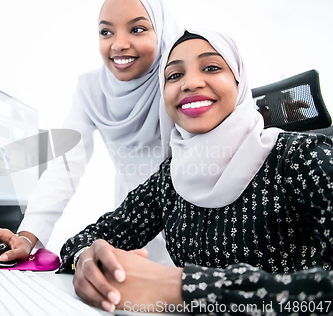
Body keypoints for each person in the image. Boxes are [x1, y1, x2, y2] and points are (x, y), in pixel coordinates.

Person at [59, 29, 333, 314]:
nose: (190, 83)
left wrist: (181, 287)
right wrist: (86, 260)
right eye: (174, 76)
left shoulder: (301, 157)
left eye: (212, 67)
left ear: (239, 83)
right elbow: (90, 237)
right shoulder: (169, 179)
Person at [0, 0, 182, 266]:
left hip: (188, 225)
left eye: (137, 29)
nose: (118, 44)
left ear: (162, 31)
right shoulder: (92, 89)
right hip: (129, 225)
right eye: (106, 32)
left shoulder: (180, 81)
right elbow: (66, 164)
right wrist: (28, 236)